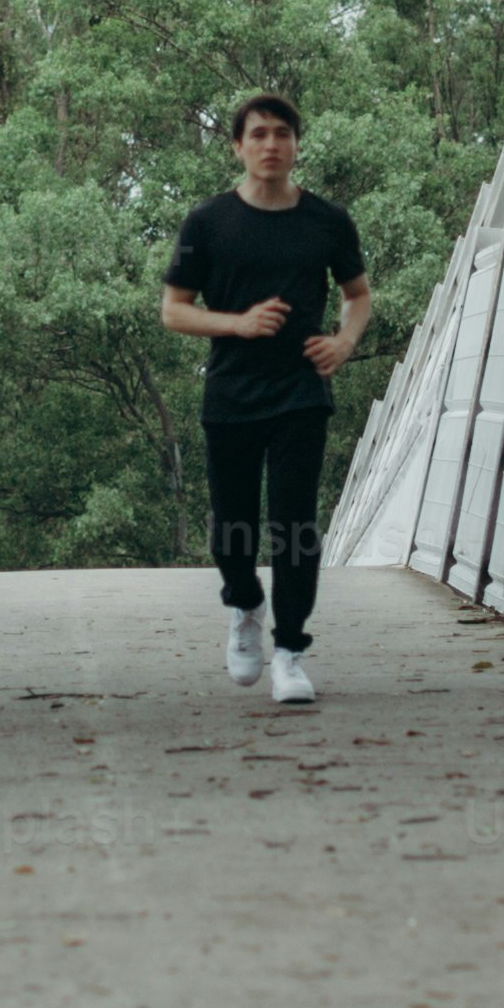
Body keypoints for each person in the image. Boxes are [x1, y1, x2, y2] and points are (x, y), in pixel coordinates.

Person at [159, 89, 368, 704]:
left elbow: (358, 295)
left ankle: (290, 651)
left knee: (296, 524)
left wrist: (344, 342)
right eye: (258, 134)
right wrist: (239, 324)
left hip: (301, 391)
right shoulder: (208, 221)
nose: (271, 144)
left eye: (282, 133)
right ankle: (245, 606)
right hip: (231, 392)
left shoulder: (327, 221)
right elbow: (173, 311)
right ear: (238, 146)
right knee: (232, 530)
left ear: (297, 145)